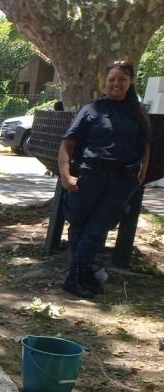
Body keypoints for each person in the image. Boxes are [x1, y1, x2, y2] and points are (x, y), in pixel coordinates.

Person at [57, 60, 151, 298]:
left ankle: (76, 276)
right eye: (111, 79)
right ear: (105, 82)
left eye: (121, 79)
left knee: (97, 228)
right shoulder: (91, 109)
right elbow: (67, 144)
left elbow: (146, 147)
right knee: (79, 225)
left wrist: (140, 176)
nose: (116, 84)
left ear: (130, 82)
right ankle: (81, 273)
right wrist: (66, 175)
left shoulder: (138, 113)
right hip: (90, 177)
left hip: (122, 182)